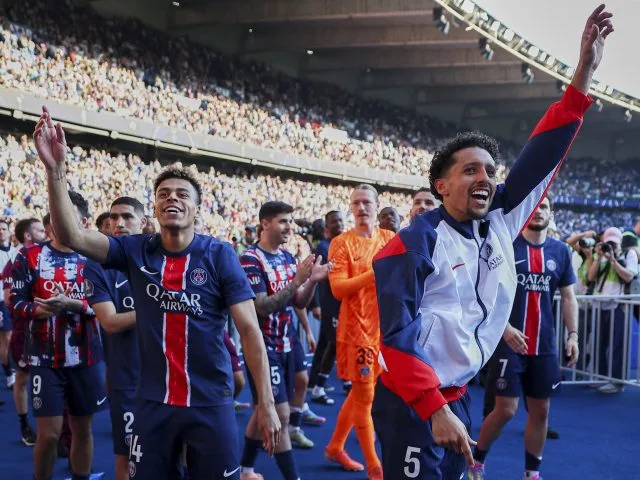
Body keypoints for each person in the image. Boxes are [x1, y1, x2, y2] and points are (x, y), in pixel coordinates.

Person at [370, 7, 613, 479]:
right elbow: (396, 341)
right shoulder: (413, 244)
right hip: (413, 401)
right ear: (441, 186)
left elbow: (543, 153)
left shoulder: (501, 219)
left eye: (490, 170)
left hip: (459, 394)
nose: (484, 177)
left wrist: (583, 74)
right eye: (470, 170)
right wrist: (433, 407)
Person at [32, 109, 280, 480]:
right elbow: (73, 236)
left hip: (210, 402)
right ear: (155, 208)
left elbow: (248, 330)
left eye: (182, 194)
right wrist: (55, 171)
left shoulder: (219, 255)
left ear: (197, 209)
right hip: (152, 403)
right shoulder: (135, 250)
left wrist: (266, 404)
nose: (172, 199)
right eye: (163, 194)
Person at [470, 196, 579, 480]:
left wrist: (573, 335)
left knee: (541, 411)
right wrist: (505, 328)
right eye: (536, 206)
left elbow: (569, 297)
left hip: (544, 346)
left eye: (545, 207)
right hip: (509, 344)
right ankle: (476, 461)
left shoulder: (560, 251)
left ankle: (531, 473)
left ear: (551, 214)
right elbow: (487, 293)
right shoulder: (508, 246)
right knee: (506, 410)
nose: (539, 211)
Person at [11, 193, 106, 480]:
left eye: (66, 215)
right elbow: (15, 301)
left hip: (86, 357)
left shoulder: (97, 257)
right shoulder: (28, 256)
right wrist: (37, 310)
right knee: (49, 435)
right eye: (55, 215)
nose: (58, 222)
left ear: (83, 222)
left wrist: (76, 306)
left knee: (82, 428)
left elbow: (108, 307)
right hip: (44, 357)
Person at [239, 201, 330, 480]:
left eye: (291, 221)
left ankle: (246, 469)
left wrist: (312, 281)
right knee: (277, 414)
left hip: (288, 340)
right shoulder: (250, 259)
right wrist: (297, 280)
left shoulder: (288, 257)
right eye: (283, 221)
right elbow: (262, 306)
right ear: (265, 224)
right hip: (264, 347)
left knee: (297, 385)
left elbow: (298, 301)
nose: (290, 227)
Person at [325, 184, 395, 480]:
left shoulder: (389, 239)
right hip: (356, 332)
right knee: (365, 397)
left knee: (360, 393)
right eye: (356, 203)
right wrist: (373, 274)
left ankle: (335, 447)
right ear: (351, 207)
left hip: (383, 331)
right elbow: (338, 288)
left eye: (367, 202)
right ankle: (374, 466)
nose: (361, 207)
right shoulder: (341, 243)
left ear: (377, 206)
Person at [84, 197, 147, 480]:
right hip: (127, 379)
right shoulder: (97, 266)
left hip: (172, 377)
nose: (119, 223)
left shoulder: (161, 257)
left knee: (177, 453)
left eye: (127, 217)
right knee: (128, 456)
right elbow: (109, 322)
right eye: (113, 217)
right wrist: (159, 309)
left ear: (143, 222)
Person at [2, 218, 46, 446]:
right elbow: (10, 298)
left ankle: (53, 429)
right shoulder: (16, 260)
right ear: (28, 236)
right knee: (23, 377)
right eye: (40, 230)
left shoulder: (50, 255)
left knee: (50, 378)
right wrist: (39, 307)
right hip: (25, 330)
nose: (45, 232)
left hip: (49, 330)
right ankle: (24, 425)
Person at [586, 226, 637, 393]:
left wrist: (613, 260)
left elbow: (629, 276)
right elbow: (590, 277)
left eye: (614, 243)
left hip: (618, 305)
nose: (611, 246)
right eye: (609, 243)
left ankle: (616, 381)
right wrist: (599, 257)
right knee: (598, 343)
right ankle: (599, 376)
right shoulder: (600, 255)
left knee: (617, 345)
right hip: (599, 304)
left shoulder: (628, 254)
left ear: (620, 242)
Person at [309, 210, 345, 404]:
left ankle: (315, 383)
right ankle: (324, 385)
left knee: (327, 343)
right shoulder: (323, 247)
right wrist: (315, 304)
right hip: (329, 302)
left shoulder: (345, 243)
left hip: (341, 302)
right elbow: (315, 276)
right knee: (335, 344)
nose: (338, 223)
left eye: (340, 220)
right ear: (327, 226)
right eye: (334, 221)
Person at [0, 219, 17, 391]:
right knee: (6, 337)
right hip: (1, 302)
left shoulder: (16, 252)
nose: (1, 231)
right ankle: (9, 374)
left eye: (3, 229)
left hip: (18, 300)